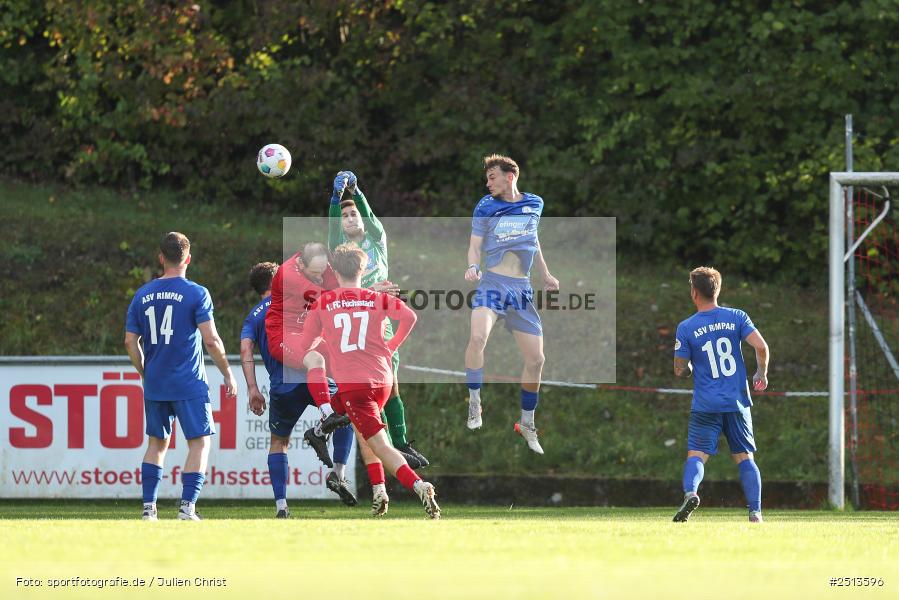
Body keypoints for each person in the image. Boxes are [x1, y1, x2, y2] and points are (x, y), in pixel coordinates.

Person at [297, 243, 440, 519]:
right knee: (351, 420)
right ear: (362, 270)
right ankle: (377, 490)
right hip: (382, 381)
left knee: (380, 445)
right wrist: (391, 346)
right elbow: (410, 317)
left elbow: (307, 345)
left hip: (355, 386)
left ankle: (419, 486)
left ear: (334, 271)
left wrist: (325, 338)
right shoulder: (376, 298)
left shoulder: (324, 302)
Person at [124, 232, 237, 521]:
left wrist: (144, 372)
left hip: (156, 382)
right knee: (199, 442)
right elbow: (211, 340)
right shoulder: (196, 293)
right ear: (188, 259)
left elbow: (130, 342)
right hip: (189, 382)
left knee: (156, 443)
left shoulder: (142, 294)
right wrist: (227, 373)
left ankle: (149, 510)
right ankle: (187, 508)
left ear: (161, 258)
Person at [326, 170, 429, 468]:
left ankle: (401, 443)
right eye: (344, 217)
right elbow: (333, 229)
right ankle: (383, 446)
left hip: (381, 325)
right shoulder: (341, 251)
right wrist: (335, 199)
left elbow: (372, 218)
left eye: (353, 214)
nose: (349, 218)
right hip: (354, 324)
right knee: (371, 388)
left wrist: (357, 192)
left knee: (391, 385)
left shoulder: (377, 241)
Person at [240, 262, 356, 517]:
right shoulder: (301, 301)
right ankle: (338, 472)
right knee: (345, 414)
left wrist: (252, 389)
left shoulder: (254, 316)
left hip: (284, 386)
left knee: (279, 442)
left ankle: (281, 506)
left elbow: (246, 348)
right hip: (318, 379)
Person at [464, 154, 559, 454]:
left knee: (537, 360)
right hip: (492, 284)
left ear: (510, 176)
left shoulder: (535, 203)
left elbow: (534, 240)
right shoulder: (485, 206)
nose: (488, 183)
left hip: (521, 290)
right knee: (478, 337)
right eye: (487, 178)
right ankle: (475, 402)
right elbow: (474, 245)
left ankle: (527, 423)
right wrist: (472, 266)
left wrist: (545, 274)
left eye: (492, 177)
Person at [672, 266, 770, 523]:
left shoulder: (686, 327)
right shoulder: (737, 316)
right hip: (737, 402)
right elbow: (761, 347)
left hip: (706, 404)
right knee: (745, 458)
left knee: (697, 455)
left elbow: (679, 369)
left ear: (694, 293)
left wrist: (688, 368)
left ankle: (691, 493)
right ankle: (755, 513)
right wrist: (760, 373)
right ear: (717, 290)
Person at [263, 243, 354, 482]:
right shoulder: (288, 274)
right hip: (284, 334)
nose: (320, 277)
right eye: (315, 273)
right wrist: (368, 295)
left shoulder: (323, 267)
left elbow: (344, 289)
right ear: (301, 264)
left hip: (310, 332)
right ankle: (327, 414)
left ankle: (323, 437)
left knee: (348, 369)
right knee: (316, 359)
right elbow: (330, 298)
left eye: (323, 272)